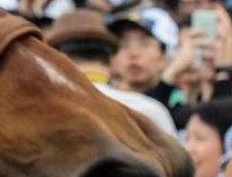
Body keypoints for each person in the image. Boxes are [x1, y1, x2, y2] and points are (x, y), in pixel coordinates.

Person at [43, 9, 176, 136]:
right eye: (123, 45)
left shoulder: (163, 108)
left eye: (144, 43)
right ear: (111, 58)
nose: (133, 53)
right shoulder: (150, 110)